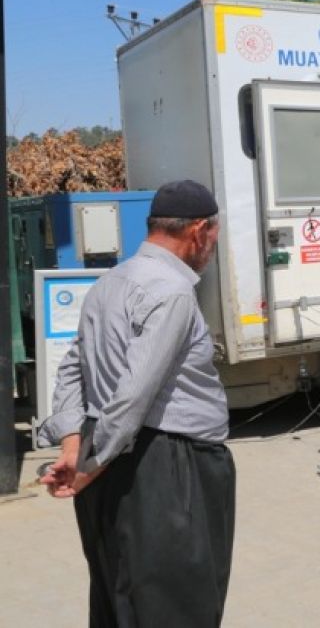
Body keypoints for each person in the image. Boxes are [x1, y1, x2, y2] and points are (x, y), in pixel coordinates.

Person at [37, 179, 235, 626]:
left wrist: (74, 451)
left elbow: (72, 369)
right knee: (178, 607)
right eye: (215, 238)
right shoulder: (174, 294)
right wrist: (85, 470)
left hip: (109, 465)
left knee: (118, 603)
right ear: (199, 230)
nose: (212, 249)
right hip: (169, 474)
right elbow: (134, 395)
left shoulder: (109, 284)